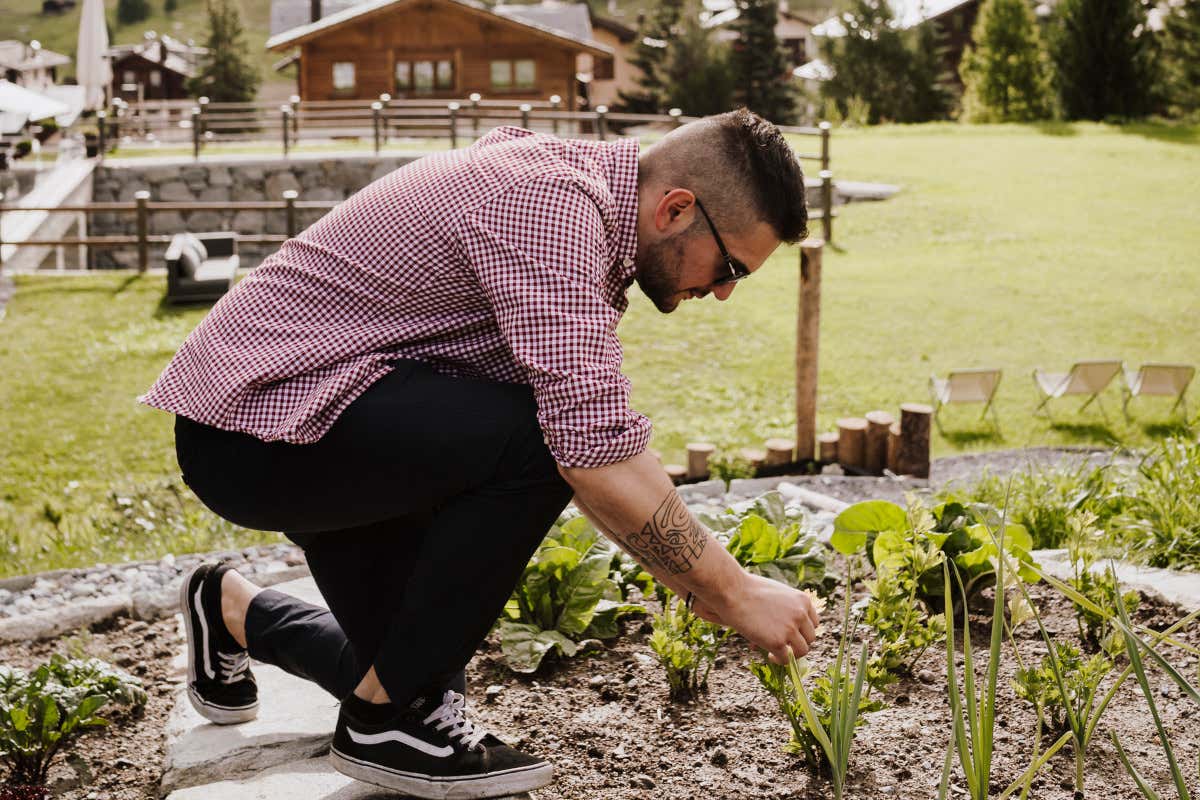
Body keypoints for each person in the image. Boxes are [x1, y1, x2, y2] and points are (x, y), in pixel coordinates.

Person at [143, 107, 820, 799]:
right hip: (258, 430)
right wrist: (734, 591)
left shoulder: (577, 202)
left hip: (329, 425)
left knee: (405, 668)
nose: (727, 290)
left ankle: (232, 608)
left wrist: (696, 578)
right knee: (535, 444)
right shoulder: (552, 209)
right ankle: (388, 719)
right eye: (731, 264)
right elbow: (588, 453)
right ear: (676, 209)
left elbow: (599, 452)